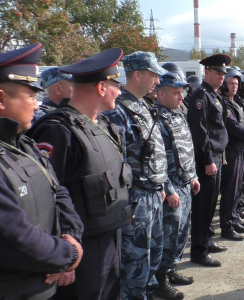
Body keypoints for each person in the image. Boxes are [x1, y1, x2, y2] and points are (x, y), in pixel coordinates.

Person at [29, 48, 133, 300]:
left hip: (110, 235)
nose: (119, 91)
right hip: (81, 245)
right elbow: (45, 197)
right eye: (115, 85)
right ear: (101, 88)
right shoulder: (58, 131)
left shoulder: (103, 125)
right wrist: (61, 256)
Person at [0, 43, 83, 300]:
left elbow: (58, 191)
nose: (37, 105)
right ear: (2, 99)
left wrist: (72, 238)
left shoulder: (25, 144)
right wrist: (67, 255)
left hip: (43, 283)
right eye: (31, 96)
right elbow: (13, 237)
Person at [103, 51, 168, 300]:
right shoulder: (118, 111)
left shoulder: (142, 106)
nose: (157, 81)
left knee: (151, 257)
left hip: (152, 194)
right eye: (153, 75)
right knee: (134, 263)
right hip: (135, 199)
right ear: (137, 74)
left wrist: (160, 183)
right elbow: (115, 162)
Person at [151, 72, 201, 300]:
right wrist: (168, 189)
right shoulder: (156, 119)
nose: (181, 97)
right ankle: (160, 280)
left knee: (182, 232)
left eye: (182, 93)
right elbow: (156, 160)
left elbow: (187, 149)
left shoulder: (178, 115)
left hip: (185, 183)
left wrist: (193, 176)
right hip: (171, 187)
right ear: (160, 94)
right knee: (167, 235)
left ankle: (171, 270)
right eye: (176, 93)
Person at [187, 54, 230, 267]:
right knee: (203, 206)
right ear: (207, 72)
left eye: (223, 73)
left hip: (216, 157)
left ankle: (208, 240)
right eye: (217, 73)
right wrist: (206, 161)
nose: (221, 77)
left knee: (212, 202)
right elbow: (200, 131)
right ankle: (199, 251)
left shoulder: (214, 95)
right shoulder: (200, 96)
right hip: (208, 160)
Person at [219, 68, 244, 241]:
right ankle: (227, 225)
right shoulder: (225, 103)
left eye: (236, 83)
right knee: (230, 190)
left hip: (241, 149)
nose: (234, 86)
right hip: (232, 151)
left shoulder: (235, 103)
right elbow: (233, 126)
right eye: (231, 83)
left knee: (237, 188)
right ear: (225, 85)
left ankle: (234, 219)